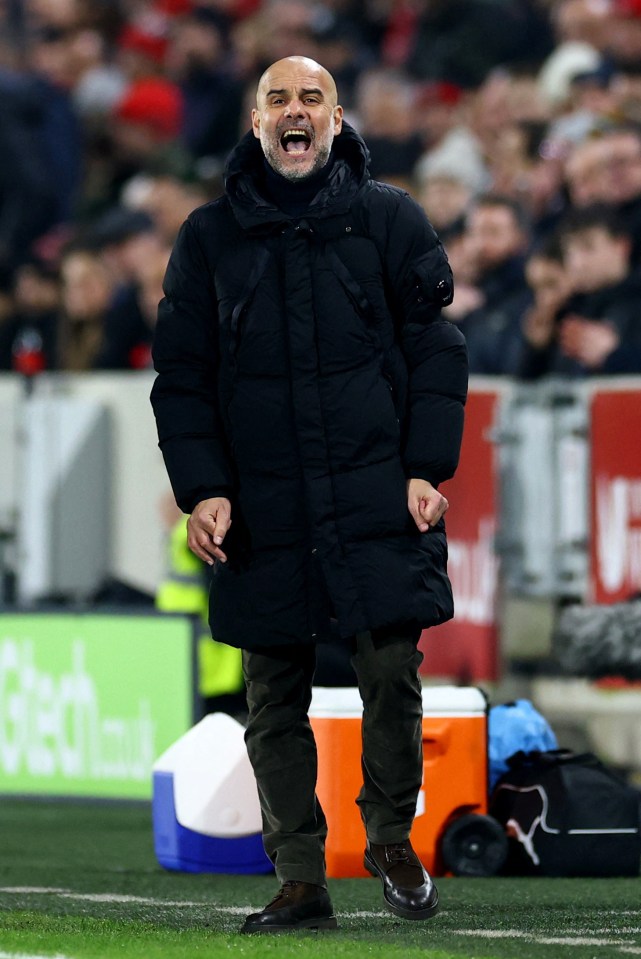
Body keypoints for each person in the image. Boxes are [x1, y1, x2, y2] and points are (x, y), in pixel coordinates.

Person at [150, 55, 468, 934]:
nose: (296, 113)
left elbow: (436, 350)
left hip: (373, 490)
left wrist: (423, 469)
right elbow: (181, 378)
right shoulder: (208, 237)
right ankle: (298, 876)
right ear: (255, 123)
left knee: (391, 675)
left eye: (312, 98)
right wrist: (203, 489)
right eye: (279, 100)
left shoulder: (389, 219)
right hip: (262, 505)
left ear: (336, 118)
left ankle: (391, 838)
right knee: (271, 697)